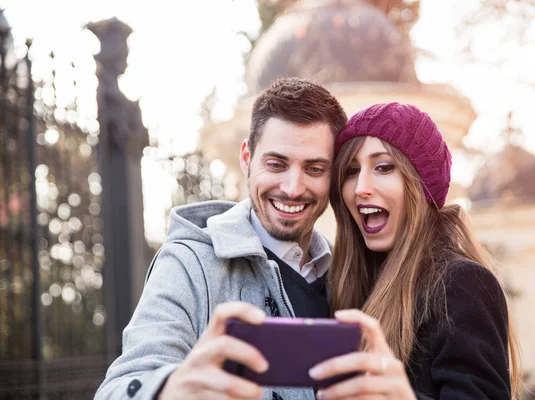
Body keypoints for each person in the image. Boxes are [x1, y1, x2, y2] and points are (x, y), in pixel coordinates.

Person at [94, 77, 347, 400]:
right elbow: (117, 390)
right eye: (276, 164)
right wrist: (173, 389)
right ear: (246, 159)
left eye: (314, 169)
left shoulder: (347, 273)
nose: (293, 187)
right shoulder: (189, 263)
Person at [308, 103, 521, 399]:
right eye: (351, 171)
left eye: (383, 167)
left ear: (422, 185)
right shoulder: (347, 286)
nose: (360, 188)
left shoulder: (461, 284)